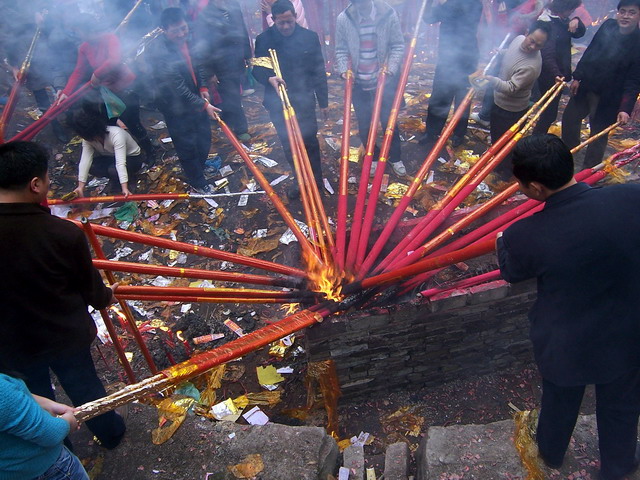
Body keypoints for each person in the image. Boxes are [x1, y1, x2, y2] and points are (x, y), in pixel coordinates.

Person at [496, 134, 640, 480]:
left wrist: (502, 240)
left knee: (560, 399)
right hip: (628, 330)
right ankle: (618, 467)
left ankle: (551, 451)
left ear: (535, 187)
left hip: (567, 340)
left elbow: (513, 272)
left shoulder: (524, 234)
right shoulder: (630, 196)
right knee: (621, 405)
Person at [0, 141, 126, 450]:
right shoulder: (61, 233)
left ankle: (58, 447)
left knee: (35, 397)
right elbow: (92, 291)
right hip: (63, 336)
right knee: (85, 387)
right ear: (35, 184)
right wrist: (108, 295)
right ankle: (110, 433)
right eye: (47, 178)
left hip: (10, 343)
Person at [253, 0, 328, 196]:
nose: (285, 27)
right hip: (277, 101)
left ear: (295, 17)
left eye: (289, 22)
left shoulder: (309, 38)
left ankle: (316, 181)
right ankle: (300, 180)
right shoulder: (263, 40)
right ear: (274, 20)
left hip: (304, 99)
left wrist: (323, 101)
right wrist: (269, 78)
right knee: (289, 143)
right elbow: (257, 70)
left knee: (309, 140)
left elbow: (318, 71)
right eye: (281, 23)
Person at [56, 14, 156, 160]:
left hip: (125, 88)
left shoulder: (110, 38)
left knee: (132, 123)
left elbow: (114, 61)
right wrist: (66, 92)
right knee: (109, 124)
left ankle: (150, 151)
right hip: (107, 92)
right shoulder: (84, 47)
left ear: (86, 29)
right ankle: (119, 151)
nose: (78, 34)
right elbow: (78, 71)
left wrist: (97, 74)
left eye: (78, 31)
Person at [147, 7, 221, 193]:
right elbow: (177, 88)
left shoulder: (189, 40)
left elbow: (198, 66)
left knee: (204, 138)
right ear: (164, 30)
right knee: (186, 144)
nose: (181, 34)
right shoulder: (161, 53)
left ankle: (201, 166)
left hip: (196, 101)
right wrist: (204, 104)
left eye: (184, 28)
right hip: (176, 107)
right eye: (176, 31)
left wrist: (203, 87)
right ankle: (197, 180)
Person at [561, 0, 640, 168]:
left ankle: (588, 171)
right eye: (623, 11)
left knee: (598, 134)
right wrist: (578, 77)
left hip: (610, 97)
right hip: (588, 86)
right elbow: (591, 50)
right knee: (569, 119)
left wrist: (625, 108)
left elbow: (634, 80)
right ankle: (569, 154)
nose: (626, 16)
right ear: (618, 13)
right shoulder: (608, 26)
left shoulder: (638, 43)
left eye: (631, 12)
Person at [335, 0, 407, 177]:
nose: (363, 7)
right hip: (358, 83)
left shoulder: (388, 14)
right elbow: (341, 50)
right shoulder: (344, 19)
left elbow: (397, 45)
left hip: (384, 81)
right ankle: (373, 156)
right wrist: (344, 71)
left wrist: (389, 69)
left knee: (389, 122)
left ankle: (395, 157)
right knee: (365, 124)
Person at [477, 21, 550, 178]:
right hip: (498, 102)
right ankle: (497, 163)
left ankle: (506, 172)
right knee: (497, 137)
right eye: (532, 41)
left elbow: (511, 88)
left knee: (508, 145)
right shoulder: (517, 40)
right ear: (527, 33)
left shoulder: (531, 66)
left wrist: (491, 80)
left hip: (512, 110)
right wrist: (500, 52)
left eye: (538, 45)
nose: (532, 47)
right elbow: (511, 52)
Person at [0, 372, 89, 480]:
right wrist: (69, 422)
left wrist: (47, 404)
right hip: (49, 470)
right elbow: (51, 433)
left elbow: (13, 394)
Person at [420, 0, 483, 149]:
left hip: (467, 58)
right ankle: (432, 132)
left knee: (463, 98)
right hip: (447, 59)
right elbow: (428, 18)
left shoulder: (472, 4)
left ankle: (458, 133)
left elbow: (432, 17)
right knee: (440, 97)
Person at [192, 0, 253, 142]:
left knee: (233, 94)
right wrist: (210, 72)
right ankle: (241, 128)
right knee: (232, 96)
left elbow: (242, 30)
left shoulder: (234, 6)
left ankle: (228, 117)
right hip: (220, 64)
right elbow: (203, 47)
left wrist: (248, 55)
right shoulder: (204, 16)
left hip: (236, 59)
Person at [532, 0, 585, 134]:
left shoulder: (562, 20)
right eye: (571, 9)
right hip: (547, 75)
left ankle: (533, 140)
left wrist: (577, 20)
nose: (572, 12)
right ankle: (532, 141)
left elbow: (579, 33)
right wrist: (557, 74)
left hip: (556, 75)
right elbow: (546, 53)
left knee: (547, 113)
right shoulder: (546, 22)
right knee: (546, 113)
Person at [70, 108, 143, 197]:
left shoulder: (116, 135)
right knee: (92, 166)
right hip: (111, 157)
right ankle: (115, 179)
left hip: (132, 158)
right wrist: (80, 187)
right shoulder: (88, 140)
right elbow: (85, 161)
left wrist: (125, 188)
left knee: (114, 170)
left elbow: (120, 163)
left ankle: (129, 179)